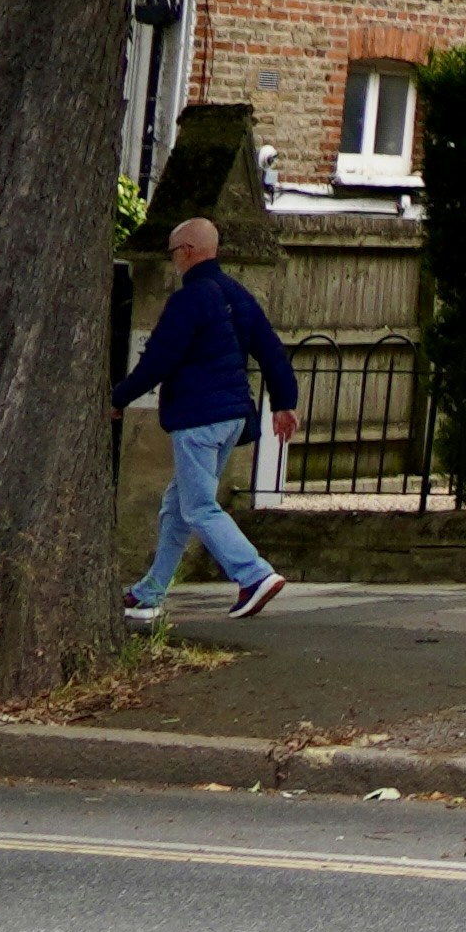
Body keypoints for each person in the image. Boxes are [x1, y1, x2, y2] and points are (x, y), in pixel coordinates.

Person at [115, 216, 300, 625]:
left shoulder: (189, 300)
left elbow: (159, 359)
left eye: (173, 252)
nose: (173, 260)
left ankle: (254, 575)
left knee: (198, 507)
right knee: (176, 506)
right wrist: (284, 402)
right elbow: (271, 349)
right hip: (232, 416)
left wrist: (118, 399)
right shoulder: (236, 294)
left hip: (199, 419)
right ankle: (149, 593)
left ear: (188, 251)